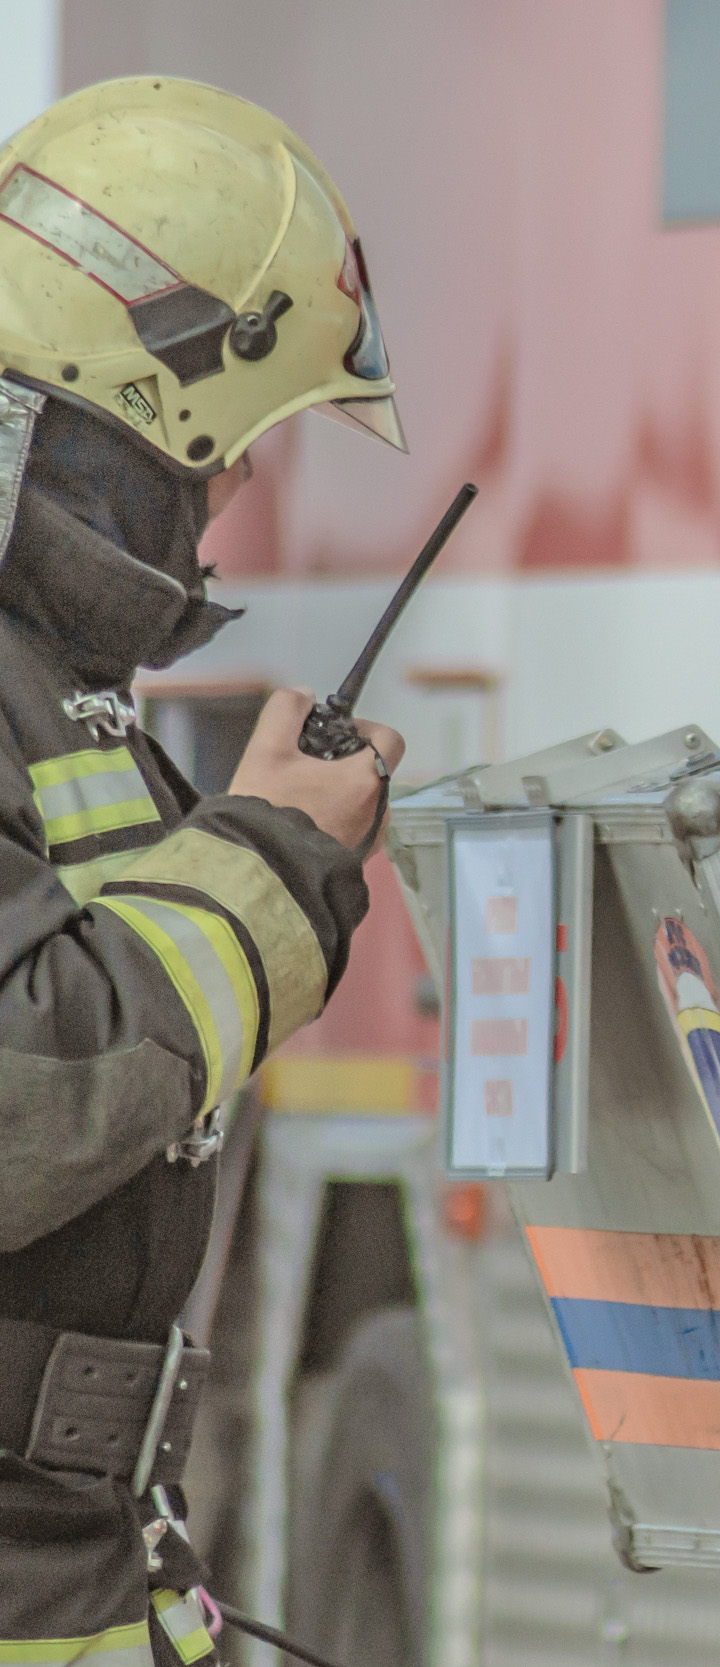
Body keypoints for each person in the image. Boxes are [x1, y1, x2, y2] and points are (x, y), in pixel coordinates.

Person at [0, 78, 408, 1660]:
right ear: (112, 416)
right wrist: (274, 861)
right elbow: (27, 1090)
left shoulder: (58, 692)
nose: (236, 490)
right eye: (219, 447)